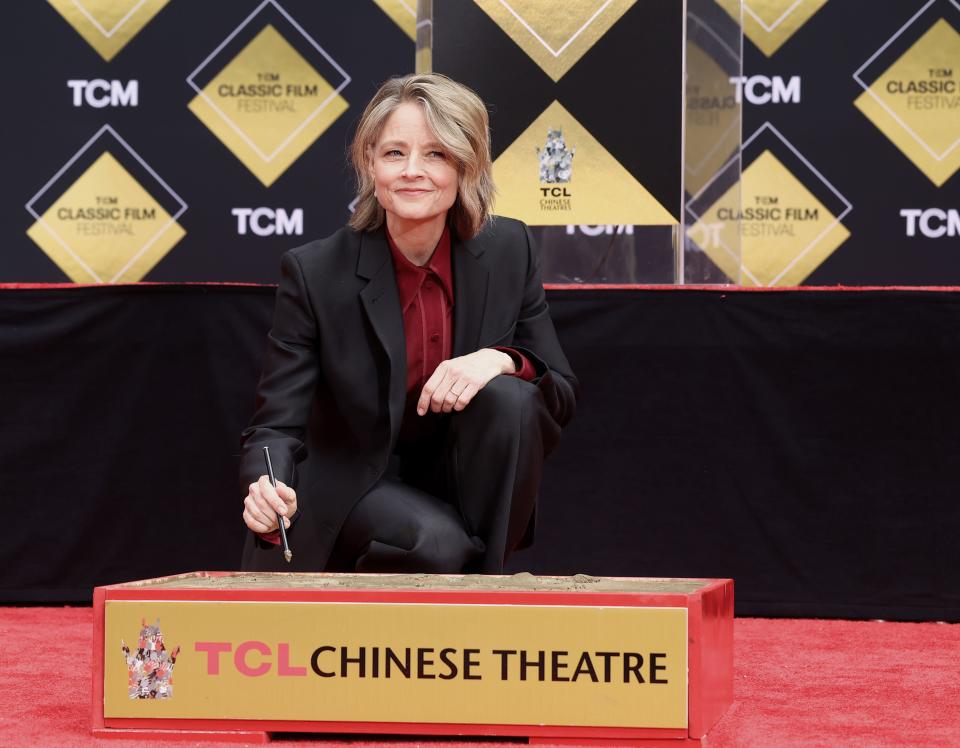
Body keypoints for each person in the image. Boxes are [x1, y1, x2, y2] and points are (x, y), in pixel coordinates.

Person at [238, 73, 577, 574]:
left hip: (462, 479)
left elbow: (561, 395)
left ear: (467, 166)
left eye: (436, 154)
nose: (412, 171)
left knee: (513, 397)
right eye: (395, 153)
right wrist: (265, 489)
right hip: (359, 481)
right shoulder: (315, 271)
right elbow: (276, 423)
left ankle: (486, 595)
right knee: (438, 547)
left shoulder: (510, 249)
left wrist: (499, 360)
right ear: (370, 164)